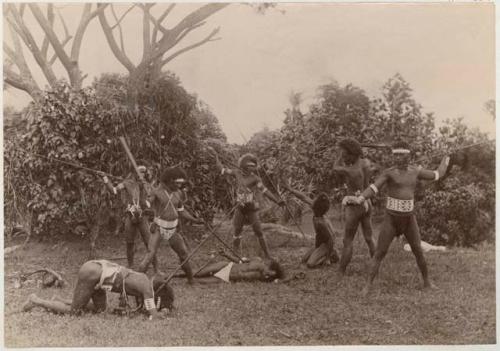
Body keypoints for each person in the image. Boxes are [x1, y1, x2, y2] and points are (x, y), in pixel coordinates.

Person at [352, 141, 450, 295]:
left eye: (401, 155)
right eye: (395, 155)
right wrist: (361, 198)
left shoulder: (416, 171)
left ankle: (427, 282)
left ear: (408, 156)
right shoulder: (389, 173)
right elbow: (374, 188)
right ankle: (367, 286)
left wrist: (446, 156)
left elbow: (438, 174)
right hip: (391, 219)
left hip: (409, 219)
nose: (398, 158)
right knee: (380, 252)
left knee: (418, 250)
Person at [21, 260, 174, 319]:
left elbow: (142, 307)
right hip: (92, 272)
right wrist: (163, 312)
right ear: (157, 288)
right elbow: (153, 316)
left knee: (100, 310)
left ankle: (59, 300)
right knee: (74, 312)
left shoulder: (143, 277)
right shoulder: (147, 287)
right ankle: (36, 300)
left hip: (100, 274)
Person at [212, 152, 285, 260]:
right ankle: (235, 253)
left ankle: (267, 255)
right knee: (237, 230)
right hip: (240, 207)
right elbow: (222, 169)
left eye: (253, 166)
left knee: (258, 230)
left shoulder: (255, 179)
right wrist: (216, 156)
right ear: (245, 166)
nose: (253, 168)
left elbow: (265, 191)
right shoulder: (236, 173)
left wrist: (277, 201)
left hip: (251, 207)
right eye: (250, 166)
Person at [138, 167, 204, 284]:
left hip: (173, 230)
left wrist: (195, 220)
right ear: (169, 180)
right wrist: (144, 194)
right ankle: (136, 281)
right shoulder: (157, 192)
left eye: (181, 183)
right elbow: (147, 204)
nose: (179, 186)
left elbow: (181, 211)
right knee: (150, 254)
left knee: (183, 254)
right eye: (177, 183)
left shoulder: (178, 194)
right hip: (159, 228)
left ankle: (191, 280)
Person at [101, 165, 158, 273]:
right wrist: (105, 178)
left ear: (145, 174)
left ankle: (156, 268)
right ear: (135, 173)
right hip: (130, 216)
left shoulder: (148, 185)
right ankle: (130, 266)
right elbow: (114, 190)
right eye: (138, 172)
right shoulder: (127, 183)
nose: (140, 174)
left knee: (149, 243)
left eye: (143, 172)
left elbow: (153, 197)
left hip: (142, 217)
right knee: (129, 242)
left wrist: (148, 202)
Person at [333, 138, 376, 274]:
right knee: (369, 238)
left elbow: (335, 167)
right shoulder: (366, 163)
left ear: (352, 154)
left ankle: (340, 271)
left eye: (345, 155)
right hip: (367, 202)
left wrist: (339, 155)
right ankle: (376, 267)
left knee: (348, 240)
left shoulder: (350, 170)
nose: (344, 158)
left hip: (355, 204)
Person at [281, 182, 340, 268]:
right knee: (304, 259)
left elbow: (331, 239)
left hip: (327, 245)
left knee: (310, 264)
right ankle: (323, 253)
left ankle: (331, 255)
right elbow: (303, 197)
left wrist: (327, 259)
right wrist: (291, 190)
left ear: (319, 210)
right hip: (320, 244)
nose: (312, 208)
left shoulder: (322, 223)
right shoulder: (315, 207)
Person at [194, 256, 285, 283]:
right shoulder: (257, 260)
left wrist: (295, 277)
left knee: (199, 281)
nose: (268, 274)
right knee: (198, 273)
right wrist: (226, 254)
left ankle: (188, 279)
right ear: (268, 266)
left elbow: (282, 280)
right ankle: (180, 274)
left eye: (270, 275)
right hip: (227, 266)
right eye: (269, 272)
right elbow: (240, 260)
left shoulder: (263, 278)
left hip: (226, 278)